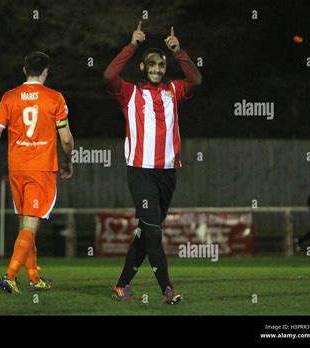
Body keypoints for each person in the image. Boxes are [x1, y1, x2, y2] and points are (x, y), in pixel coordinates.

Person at [104, 22, 202, 304]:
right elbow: (109, 74)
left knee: (146, 233)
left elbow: (196, 81)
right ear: (143, 68)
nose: (158, 68)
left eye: (161, 64)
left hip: (168, 173)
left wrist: (179, 52)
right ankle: (168, 290)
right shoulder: (130, 93)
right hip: (141, 172)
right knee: (154, 232)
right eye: (152, 64)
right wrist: (132, 46)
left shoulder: (174, 90)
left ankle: (121, 286)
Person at [0, 51, 74, 293]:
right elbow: (66, 138)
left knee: (24, 224)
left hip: (17, 168)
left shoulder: (10, 97)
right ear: (46, 71)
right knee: (30, 225)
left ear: (24, 69)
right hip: (40, 168)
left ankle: (33, 277)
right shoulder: (55, 98)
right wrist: (68, 160)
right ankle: (10, 276)